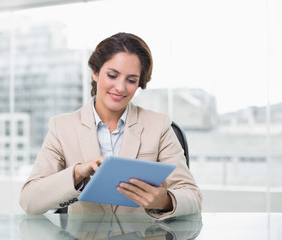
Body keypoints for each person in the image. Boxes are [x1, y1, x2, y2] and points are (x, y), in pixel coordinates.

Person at [19, 32, 202, 220]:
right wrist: (77, 173)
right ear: (95, 72)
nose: (120, 87)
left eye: (131, 80)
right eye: (112, 75)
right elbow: (29, 201)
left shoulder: (159, 125)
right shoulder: (62, 127)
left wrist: (164, 201)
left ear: (139, 83)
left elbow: (193, 197)